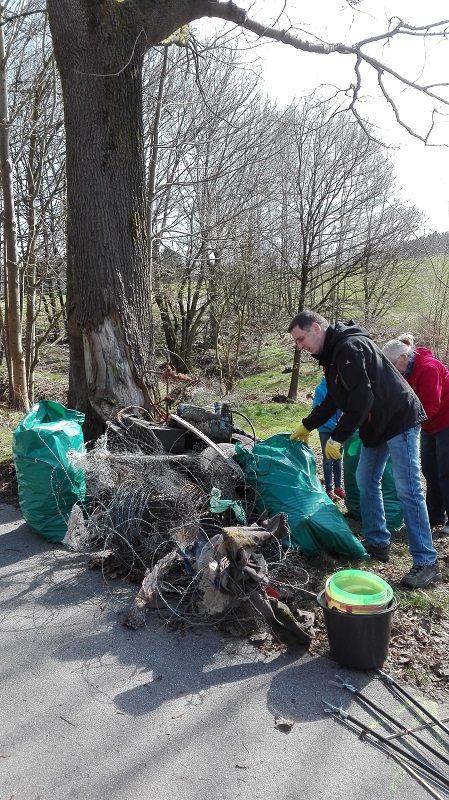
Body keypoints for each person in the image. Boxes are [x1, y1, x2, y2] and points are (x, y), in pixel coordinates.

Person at [288, 310, 441, 589]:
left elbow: (362, 397)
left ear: (315, 328)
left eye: (301, 339)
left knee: (408, 489)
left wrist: (337, 438)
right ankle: (377, 541)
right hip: (377, 426)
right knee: (365, 479)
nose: (300, 346)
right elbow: (334, 399)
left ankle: (426, 560)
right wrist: (307, 425)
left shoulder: (349, 347)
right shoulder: (333, 357)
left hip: (398, 419)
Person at [382, 333, 449, 535]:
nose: (393, 371)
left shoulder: (428, 368)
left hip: (445, 422)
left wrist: (407, 422)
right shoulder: (407, 371)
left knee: (446, 472)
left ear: (403, 358)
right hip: (429, 426)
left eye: (393, 365)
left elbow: (431, 405)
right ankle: (435, 516)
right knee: (430, 471)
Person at [313, 373, 345, 502]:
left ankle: (338, 487)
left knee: (338, 458)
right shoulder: (320, 388)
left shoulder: (341, 386)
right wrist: (333, 425)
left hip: (340, 430)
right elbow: (318, 411)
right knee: (328, 460)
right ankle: (329, 489)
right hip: (325, 430)